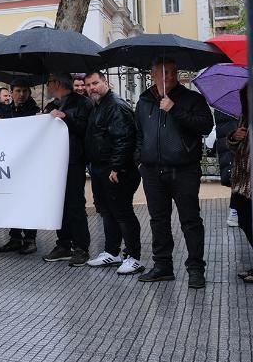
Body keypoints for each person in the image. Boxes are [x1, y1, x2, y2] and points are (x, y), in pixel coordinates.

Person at [135, 59, 213, 288]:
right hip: (152, 171)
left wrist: (175, 109)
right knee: (158, 220)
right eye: (163, 73)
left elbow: (205, 126)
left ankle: (196, 269)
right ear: (152, 75)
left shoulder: (192, 99)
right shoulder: (144, 101)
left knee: (190, 220)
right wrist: (140, 160)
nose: (168, 77)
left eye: (171, 72)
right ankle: (162, 266)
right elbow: (138, 133)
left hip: (184, 169)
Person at [83, 71, 144, 275]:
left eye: (95, 83)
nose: (92, 88)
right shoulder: (98, 106)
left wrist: (116, 167)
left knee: (122, 213)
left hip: (117, 170)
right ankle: (112, 252)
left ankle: (134, 257)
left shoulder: (116, 105)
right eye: (88, 85)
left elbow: (124, 138)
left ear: (105, 82)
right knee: (107, 212)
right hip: (101, 168)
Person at [40, 72, 92, 268]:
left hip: (73, 161)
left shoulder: (82, 103)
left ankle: (81, 247)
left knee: (74, 204)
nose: (47, 86)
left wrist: (66, 117)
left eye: (48, 82)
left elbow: (84, 130)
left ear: (56, 83)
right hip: (54, 162)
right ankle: (63, 244)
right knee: (58, 204)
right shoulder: (52, 104)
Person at [0, 80, 42, 254]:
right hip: (10, 165)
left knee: (28, 202)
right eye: (18, 91)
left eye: (24, 91)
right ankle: (14, 237)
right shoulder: (6, 111)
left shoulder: (35, 111)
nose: (21, 94)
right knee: (11, 201)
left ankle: (30, 239)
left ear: (29, 93)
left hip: (29, 166)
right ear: (11, 92)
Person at [226, 86, 253, 282]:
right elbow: (234, 145)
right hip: (243, 177)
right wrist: (235, 136)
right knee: (244, 220)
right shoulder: (246, 115)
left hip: (250, 177)